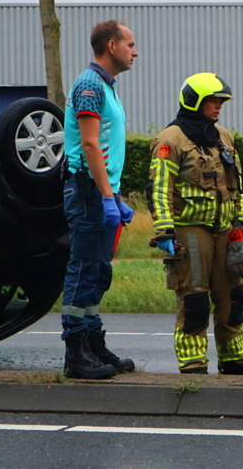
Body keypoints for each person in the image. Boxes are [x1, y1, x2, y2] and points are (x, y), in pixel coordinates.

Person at [147, 73, 243, 376]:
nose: (219, 106)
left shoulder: (223, 137)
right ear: (194, 102)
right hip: (190, 230)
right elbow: (159, 189)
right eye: (213, 101)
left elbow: (233, 184)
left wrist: (240, 225)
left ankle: (234, 358)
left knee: (234, 295)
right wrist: (164, 231)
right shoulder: (170, 140)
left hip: (226, 230)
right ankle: (193, 362)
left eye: (221, 101)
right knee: (194, 299)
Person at [61, 20, 139, 379]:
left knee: (98, 271)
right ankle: (75, 355)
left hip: (103, 191)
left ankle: (93, 344)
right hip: (88, 190)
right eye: (130, 45)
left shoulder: (108, 86)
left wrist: (115, 196)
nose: (134, 52)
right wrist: (108, 197)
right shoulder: (91, 85)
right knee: (83, 269)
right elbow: (90, 143)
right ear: (111, 46)